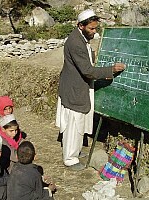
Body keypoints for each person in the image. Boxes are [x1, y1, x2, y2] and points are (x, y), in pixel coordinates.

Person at [55, 9, 126, 171]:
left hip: (78, 85)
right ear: (81, 26)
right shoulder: (75, 43)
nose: (94, 32)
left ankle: (75, 150)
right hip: (75, 89)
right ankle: (70, 158)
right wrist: (110, 70)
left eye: (95, 28)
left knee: (79, 122)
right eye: (91, 29)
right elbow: (87, 70)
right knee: (74, 123)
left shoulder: (80, 38)